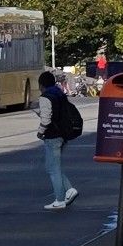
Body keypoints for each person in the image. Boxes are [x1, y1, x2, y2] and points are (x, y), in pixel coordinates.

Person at [34, 68, 80, 211]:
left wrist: (40, 132)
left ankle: (60, 199)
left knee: (53, 169)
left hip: (52, 136)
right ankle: (69, 190)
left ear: (41, 85)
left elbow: (46, 119)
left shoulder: (45, 97)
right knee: (54, 167)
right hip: (62, 133)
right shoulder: (59, 93)